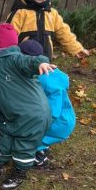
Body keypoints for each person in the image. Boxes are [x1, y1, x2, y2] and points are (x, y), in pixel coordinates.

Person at [0, 23, 54, 190]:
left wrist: (41, 63)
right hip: (12, 114)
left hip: (34, 116)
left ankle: (19, 173)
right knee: (2, 140)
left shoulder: (14, 59)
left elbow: (30, 61)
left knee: (24, 147)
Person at [8, 0, 90, 62]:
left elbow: (64, 33)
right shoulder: (20, 13)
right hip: (23, 61)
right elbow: (8, 37)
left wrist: (77, 49)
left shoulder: (51, 13)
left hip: (46, 61)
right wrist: (6, 58)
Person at [18, 39, 77, 167]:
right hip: (63, 118)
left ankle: (39, 158)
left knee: (30, 137)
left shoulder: (44, 79)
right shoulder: (50, 73)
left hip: (58, 121)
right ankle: (40, 148)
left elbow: (53, 109)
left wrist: (39, 124)